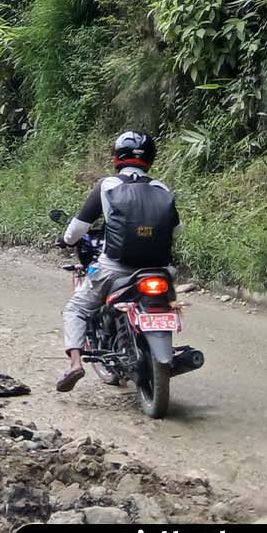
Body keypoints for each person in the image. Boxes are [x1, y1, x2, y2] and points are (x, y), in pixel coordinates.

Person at [56, 130, 180, 393]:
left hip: (114, 269)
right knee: (168, 304)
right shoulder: (161, 188)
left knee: (75, 309)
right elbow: (175, 230)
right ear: (150, 159)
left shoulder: (107, 185)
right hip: (160, 271)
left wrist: (66, 241)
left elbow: (77, 229)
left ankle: (75, 364)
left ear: (116, 158)